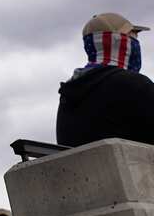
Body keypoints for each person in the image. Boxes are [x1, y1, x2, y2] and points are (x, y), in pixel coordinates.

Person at [57, 12, 154, 147]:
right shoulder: (135, 85)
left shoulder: (69, 94)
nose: (137, 42)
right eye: (134, 36)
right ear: (118, 41)